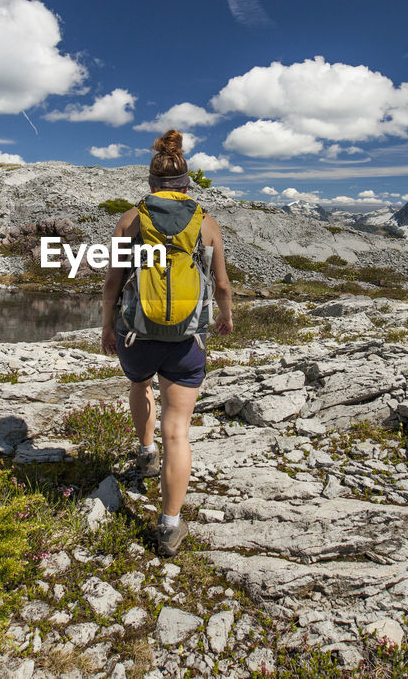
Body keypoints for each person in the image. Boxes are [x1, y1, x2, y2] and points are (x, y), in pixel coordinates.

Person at [100, 129, 233, 557]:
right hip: (185, 340)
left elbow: (111, 285)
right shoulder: (205, 222)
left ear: (152, 183)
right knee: (178, 431)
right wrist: (225, 318)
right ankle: (170, 525)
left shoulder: (130, 219)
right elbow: (223, 286)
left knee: (139, 385)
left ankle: (144, 452)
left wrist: (107, 329)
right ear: (186, 183)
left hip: (136, 335)